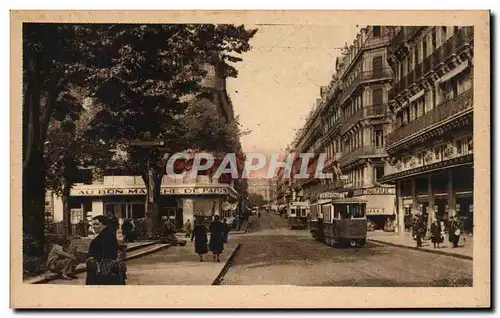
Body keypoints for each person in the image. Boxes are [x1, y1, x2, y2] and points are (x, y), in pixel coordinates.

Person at [86, 215, 126, 285]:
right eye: (93, 224)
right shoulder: (108, 234)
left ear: (104, 225)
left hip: (103, 272)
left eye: (97, 224)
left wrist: (92, 259)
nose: (94, 227)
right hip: (108, 270)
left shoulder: (103, 237)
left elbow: (107, 254)